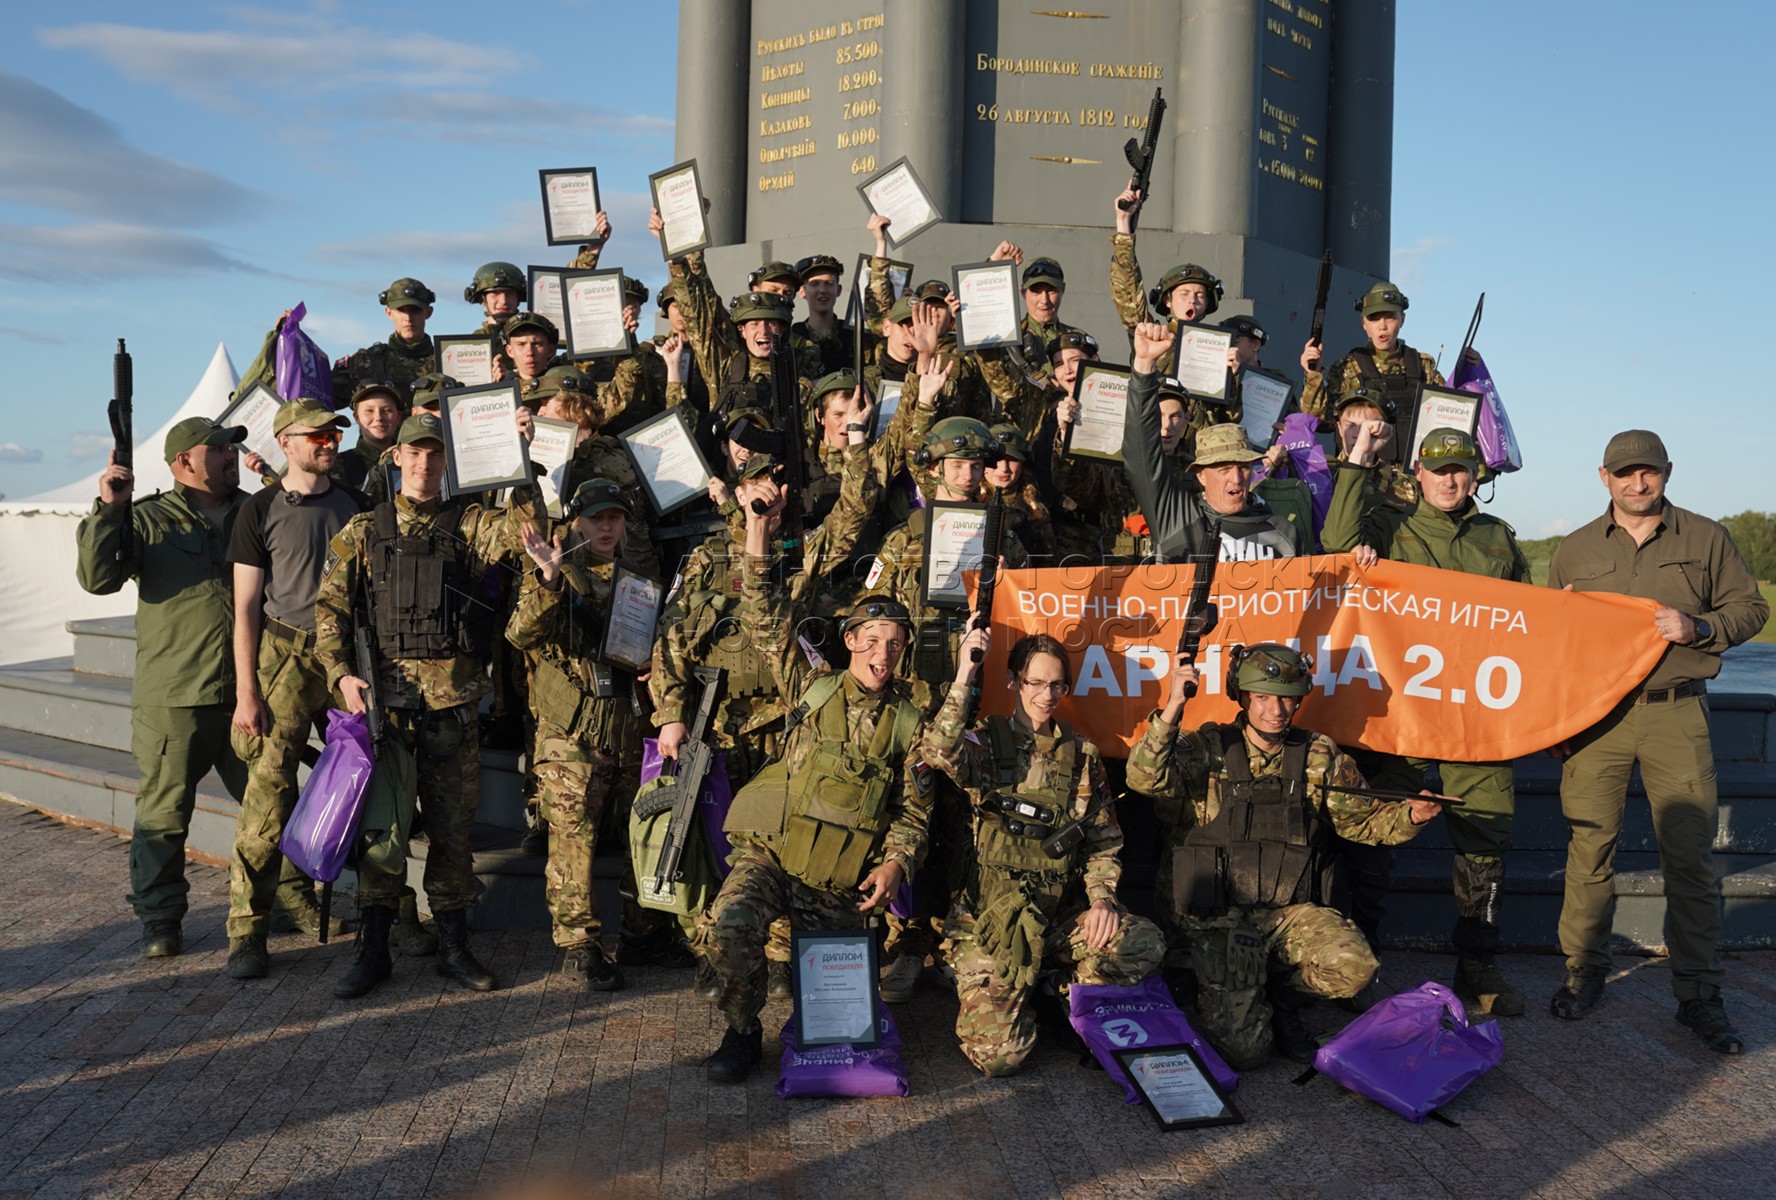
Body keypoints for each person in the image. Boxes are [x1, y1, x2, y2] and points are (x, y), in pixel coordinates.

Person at [1546, 429, 1770, 1053]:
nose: (1637, 483)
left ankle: (1698, 993)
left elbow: (1751, 610)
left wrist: (1698, 626)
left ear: (1667, 472)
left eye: (1648, 472)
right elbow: (1554, 647)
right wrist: (1560, 720)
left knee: (1690, 858)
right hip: (1599, 719)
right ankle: (1584, 972)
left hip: (1677, 715)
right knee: (1589, 848)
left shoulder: (1705, 537)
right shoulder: (1574, 549)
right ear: (1604, 477)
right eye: (1624, 473)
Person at [1124, 644, 1444, 1066]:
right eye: (1262, 697)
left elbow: (1363, 824)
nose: (1275, 709)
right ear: (1242, 696)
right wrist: (1174, 705)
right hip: (1216, 918)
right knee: (1245, 1054)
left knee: (1354, 966)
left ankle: (1282, 996)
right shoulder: (1205, 748)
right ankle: (1223, 987)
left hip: (1287, 913)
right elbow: (1143, 779)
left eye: (1286, 697)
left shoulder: (1318, 755)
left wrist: (1412, 816)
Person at [313, 412, 527, 998]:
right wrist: (342, 676)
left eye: (436, 454)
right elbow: (327, 609)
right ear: (397, 458)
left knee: (454, 838)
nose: (425, 464)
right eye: (415, 453)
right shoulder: (362, 530)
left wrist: (525, 456)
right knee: (383, 835)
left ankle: (455, 948)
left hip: (452, 711)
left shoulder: (472, 524)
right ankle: (373, 948)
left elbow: (525, 533)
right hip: (387, 712)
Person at [1323, 426, 1533, 1016]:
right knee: (1375, 832)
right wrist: (1357, 464)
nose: (1449, 479)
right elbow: (1338, 540)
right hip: (1400, 713)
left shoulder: (1496, 538)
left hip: (1477, 715)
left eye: (1460, 468)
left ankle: (1478, 965)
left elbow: (1530, 619)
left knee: (1487, 837)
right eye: (1437, 469)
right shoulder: (1391, 526)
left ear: (1475, 475)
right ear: (1417, 473)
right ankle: (1358, 960)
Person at [700, 568, 932, 1084]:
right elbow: (763, 613)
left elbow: (914, 812)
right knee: (731, 923)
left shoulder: (909, 723)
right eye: (872, 641)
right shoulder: (812, 687)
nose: (883, 654)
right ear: (850, 640)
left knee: (838, 1017)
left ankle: (816, 1025)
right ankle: (741, 1031)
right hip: (773, 855)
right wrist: (759, 535)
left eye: (895, 644)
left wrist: (896, 862)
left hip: (835, 875)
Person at [921, 631, 1165, 1076]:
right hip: (990, 922)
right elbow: (938, 751)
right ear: (1015, 682)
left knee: (1142, 943)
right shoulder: (985, 743)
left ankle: (1058, 986)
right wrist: (966, 670)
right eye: (1035, 683)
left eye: (1056, 685)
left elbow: (1102, 841)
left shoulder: (1082, 754)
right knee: (1000, 1057)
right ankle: (1006, 986)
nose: (1046, 695)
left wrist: (1102, 900)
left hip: (1054, 917)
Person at [76, 416, 251, 957]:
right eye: (218, 449)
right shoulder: (147, 519)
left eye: (231, 449)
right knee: (165, 811)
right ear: (183, 463)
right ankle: (160, 920)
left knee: (271, 803)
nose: (230, 456)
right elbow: (97, 578)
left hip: (249, 690)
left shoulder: (256, 511)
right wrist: (110, 509)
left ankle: (286, 898)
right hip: (175, 692)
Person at [223, 400, 366, 978]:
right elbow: (245, 611)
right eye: (316, 434)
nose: (329, 441)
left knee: (366, 786)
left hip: (346, 660)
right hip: (282, 661)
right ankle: (247, 930)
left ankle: (390, 912)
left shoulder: (356, 505)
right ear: (286, 441)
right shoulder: (258, 511)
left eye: (333, 433)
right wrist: (246, 693)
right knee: (267, 796)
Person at [508, 477, 644, 990]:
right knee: (573, 841)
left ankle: (641, 930)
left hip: (623, 725)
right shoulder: (556, 573)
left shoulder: (637, 580)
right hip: (570, 734)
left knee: (638, 832)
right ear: (577, 522)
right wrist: (549, 578)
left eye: (615, 518)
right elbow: (520, 633)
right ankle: (578, 944)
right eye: (596, 518)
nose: (606, 527)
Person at [1124, 324, 1307, 561]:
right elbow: (1140, 451)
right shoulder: (1177, 519)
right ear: (1200, 475)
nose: (1237, 478)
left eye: (1243, 467)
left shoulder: (1285, 534)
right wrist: (1145, 365)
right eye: (1223, 469)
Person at [1298, 282, 1445, 429]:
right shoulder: (1347, 368)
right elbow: (1320, 421)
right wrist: (1313, 375)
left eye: (1390, 317)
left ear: (1402, 319)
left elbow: (1448, 414)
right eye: (1374, 318)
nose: (1382, 326)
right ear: (1363, 323)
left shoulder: (1423, 365)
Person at [331, 278, 438, 407]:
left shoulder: (449, 360)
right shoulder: (365, 363)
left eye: (415, 310)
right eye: (401, 310)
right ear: (388, 313)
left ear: (429, 312)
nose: (408, 318)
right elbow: (321, 402)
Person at [335, 382, 406, 502]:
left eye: (387, 410)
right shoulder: (340, 465)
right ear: (357, 417)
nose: (378, 417)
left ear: (398, 416)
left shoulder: (413, 460)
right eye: (369, 411)